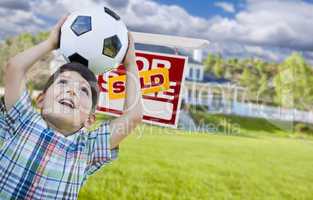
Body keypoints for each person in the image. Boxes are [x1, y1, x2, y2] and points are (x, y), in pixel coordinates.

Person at [0, 15, 143, 200]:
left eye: (84, 90)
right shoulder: (23, 119)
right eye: (63, 82)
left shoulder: (87, 148)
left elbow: (133, 115)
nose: (71, 91)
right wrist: (50, 43)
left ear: (89, 119)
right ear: (41, 100)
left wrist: (131, 63)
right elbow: (15, 68)